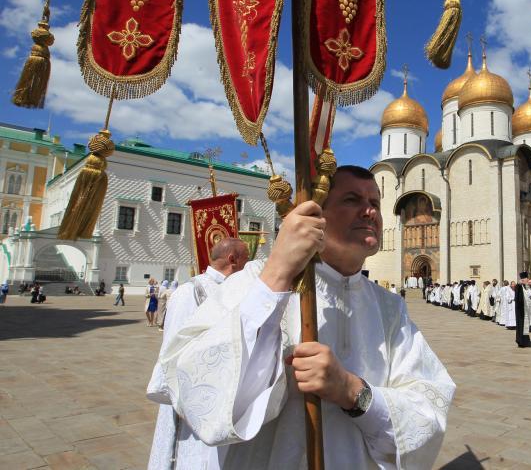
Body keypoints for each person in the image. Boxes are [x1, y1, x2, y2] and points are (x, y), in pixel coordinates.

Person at [153, 165, 455, 468]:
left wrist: (353, 392)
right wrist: (278, 273)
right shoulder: (258, 280)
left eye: (374, 203)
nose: (369, 212)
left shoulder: (390, 308)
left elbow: (429, 407)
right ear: (315, 213)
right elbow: (196, 388)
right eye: (352, 200)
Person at [147, 238, 250, 469]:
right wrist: (184, 402)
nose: (248, 265)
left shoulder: (235, 289)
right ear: (233, 260)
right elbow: (173, 351)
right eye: (246, 259)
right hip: (191, 400)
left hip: (224, 396)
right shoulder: (190, 292)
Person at [514, 273, 531, 347]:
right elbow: (517, 297)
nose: (527, 281)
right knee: (521, 326)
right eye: (526, 279)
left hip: (526, 310)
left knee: (525, 326)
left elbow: (529, 295)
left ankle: (525, 341)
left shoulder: (526, 287)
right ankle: (521, 341)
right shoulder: (518, 286)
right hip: (520, 310)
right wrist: (519, 284)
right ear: (522, 280)